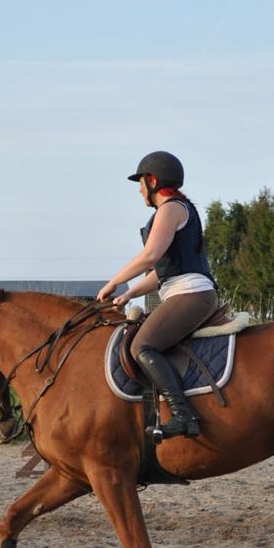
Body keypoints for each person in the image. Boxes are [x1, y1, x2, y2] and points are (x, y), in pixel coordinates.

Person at [97, 150, 218, 440]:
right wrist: (129, 293)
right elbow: (161, 273)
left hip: (191, 294)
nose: (139, 190)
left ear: (152, 180)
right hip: (182, 290)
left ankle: (184, 415)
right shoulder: (175, 210)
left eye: (140, 182)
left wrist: (113, 281)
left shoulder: (171, 208)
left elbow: (150, 256)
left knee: (142, 346)